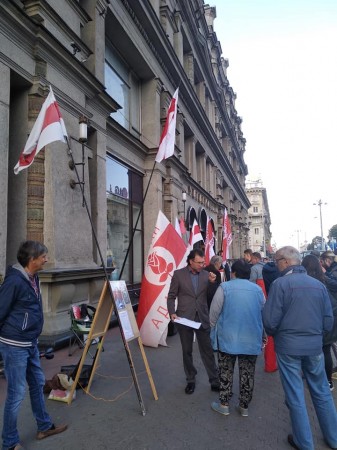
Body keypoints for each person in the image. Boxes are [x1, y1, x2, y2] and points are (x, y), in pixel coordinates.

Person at [263, 246, 337, 450]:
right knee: (322, 391)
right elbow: (328, 320)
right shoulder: (318, 285)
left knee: (295, 394)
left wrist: (277, 334)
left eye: (277, 259)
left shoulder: (280, 284)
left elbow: (270, 321)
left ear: (286, 261)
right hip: (314, 346)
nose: (275, 263)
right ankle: (334, 437)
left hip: (288, 348)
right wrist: (315, 335)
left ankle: (304, 443)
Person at [0, 241, 67, 450]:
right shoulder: (14, 282)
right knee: (17, 392)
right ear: (32, 260)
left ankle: (44, 426)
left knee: (38, 384)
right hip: (15, 345)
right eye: (43, 256)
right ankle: (10, 442)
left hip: (30, 342)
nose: (46, 259)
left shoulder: (33, 277)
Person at [209, 259, 264, 417]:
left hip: (228, 338)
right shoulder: (257, 290)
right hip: (251, 338)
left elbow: (214, 312)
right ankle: (244, 406)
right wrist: (263, 334)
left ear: (233, 273)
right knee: (248, 373)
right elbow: (263, 313)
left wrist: (213, 329)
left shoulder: (225, 287)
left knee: (225, 371)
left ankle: (224, 404)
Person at [167, 249, 220, 394]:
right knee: (187, 351)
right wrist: (172, 312)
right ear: (191, 261)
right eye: (199, 262)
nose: (203, 265)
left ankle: (214, 380)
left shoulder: (206, 275)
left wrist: (212, 283)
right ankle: (190, 380)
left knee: (207, 350)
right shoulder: (178, 275)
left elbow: (212, 295)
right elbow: (171, 296)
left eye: (203, 262)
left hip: (202, 317)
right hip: (184, 318)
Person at [302, 254, 337, 391]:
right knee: (326, 349)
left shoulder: (308, 283)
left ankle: (316, 377)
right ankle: (328, 382)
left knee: (315, 350)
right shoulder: (327, 279)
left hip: (317, 320)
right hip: (332, 318)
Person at [261, 261, 280, 372]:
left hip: (268, 302)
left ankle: (269, 364)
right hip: (279, 304)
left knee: (270, 337)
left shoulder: (264, 271)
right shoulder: (279, 276)